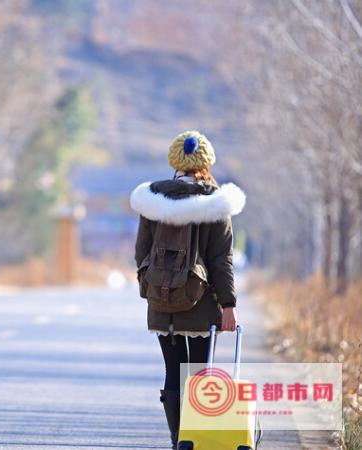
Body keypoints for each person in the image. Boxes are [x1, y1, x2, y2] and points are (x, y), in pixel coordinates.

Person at [129, 130, 245, 448]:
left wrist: (153, 288)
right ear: (206, 162)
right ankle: (194, 439)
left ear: (175, 161)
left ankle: (178, 440)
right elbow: (221, 262)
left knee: (173, 372)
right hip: (201, 305)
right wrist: (229, 305)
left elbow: (142, 254)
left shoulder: (153, 201)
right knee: (198, 376)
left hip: (162, 302)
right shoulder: (216, 203)